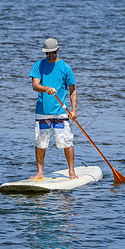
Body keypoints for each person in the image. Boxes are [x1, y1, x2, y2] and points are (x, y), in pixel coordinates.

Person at [29, 37, 78, 180]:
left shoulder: (65, 68)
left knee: (66, 142)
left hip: (61, 113)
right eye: (47, 53)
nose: (50, 55)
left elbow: (73, 89)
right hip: (42, 112)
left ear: (57, 50)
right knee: (41, 142)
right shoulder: (38, 66)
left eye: (52, 52)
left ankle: (71, 172)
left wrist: (74, 111)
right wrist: (46, 89)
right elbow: (35, 85)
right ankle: (40, 173)